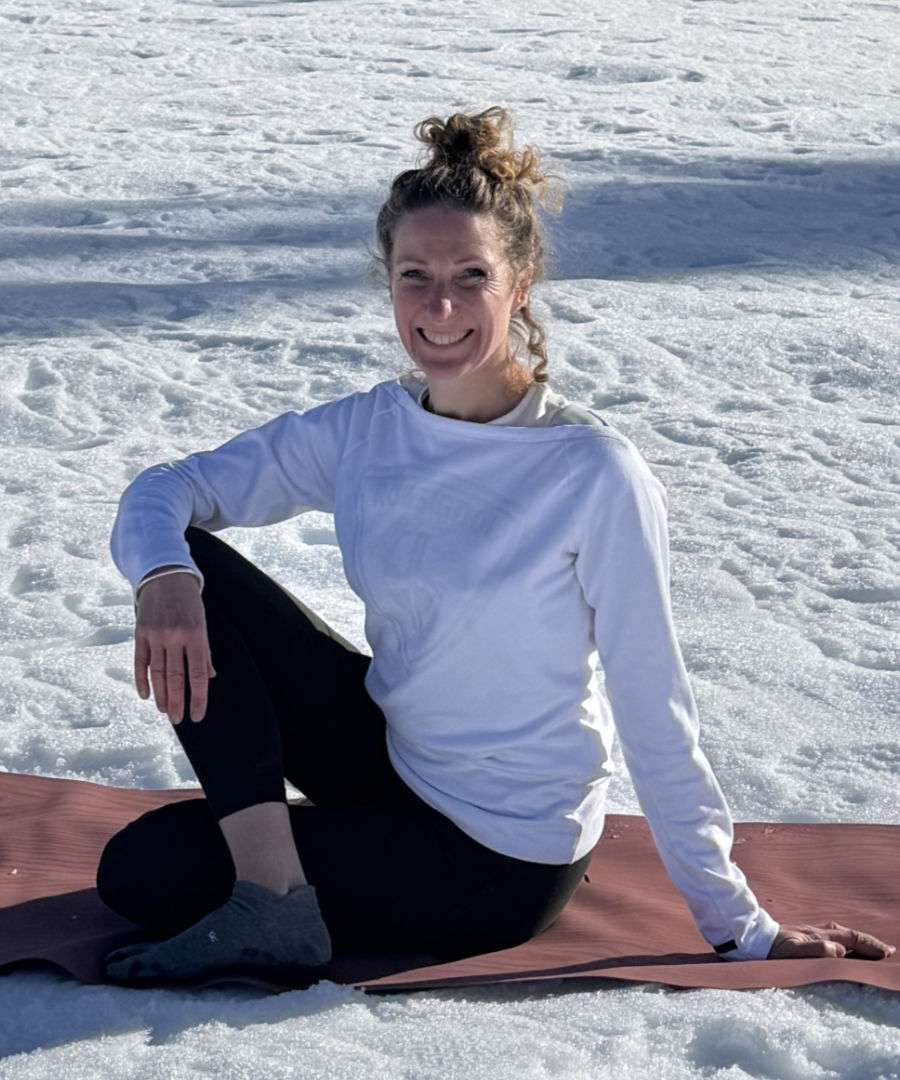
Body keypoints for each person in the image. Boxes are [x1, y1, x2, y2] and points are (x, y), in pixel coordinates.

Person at [97, 107, 893, 986]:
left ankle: (276, 901)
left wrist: (738, 925)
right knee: (191, 570)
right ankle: (275, 896)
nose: (439, 307)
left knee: (148, 869)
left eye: (471, 275)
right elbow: (161, 489)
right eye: (415, 277)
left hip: (498, 856)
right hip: (398, 756)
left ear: (519, 287)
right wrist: (162, 576)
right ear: (387, 283)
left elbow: (652, 701)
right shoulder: (371, 429)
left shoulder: (591, 474)